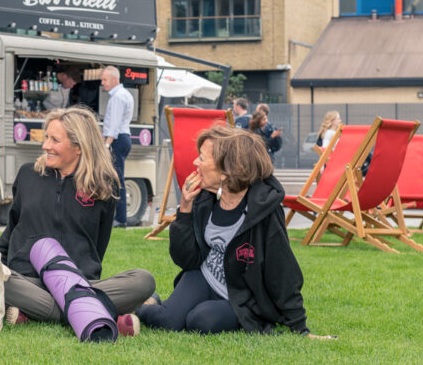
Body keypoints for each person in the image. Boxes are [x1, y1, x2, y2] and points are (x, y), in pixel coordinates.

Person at [136, 125, 333, 339]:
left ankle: (194, 308)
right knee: (166, 321)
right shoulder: (204, 199)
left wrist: (300, 328)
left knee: (201, 321)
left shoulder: (263, 210)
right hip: (202, 277)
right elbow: (185, 259)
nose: (195, 163)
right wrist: (185, 209)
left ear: (225, 170)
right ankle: (145, 302)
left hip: (240, 295)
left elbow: (282, 269)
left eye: (202, 157)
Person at [0, 107, 155, 332]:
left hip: (78, 282)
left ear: (78, 147)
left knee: (144, 281)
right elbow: (12, 228)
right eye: (46, 137)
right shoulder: (28, 174)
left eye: (54, 140)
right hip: (28, 281)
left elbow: (98, 245)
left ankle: (39, 311)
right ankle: (95, 312)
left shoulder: (103, 185)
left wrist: (75, 281)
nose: (45, 146)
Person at [100, 65, 134, 228]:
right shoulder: (123, 94)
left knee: (116, 180)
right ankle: (119, 217)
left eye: (105, 80)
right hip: (123, 138)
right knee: (116, 178)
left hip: (117, 139)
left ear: (114, 79)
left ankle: (120, 219)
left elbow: (114, 124)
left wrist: (106, 145)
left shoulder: (118, 97)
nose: (103, 83)